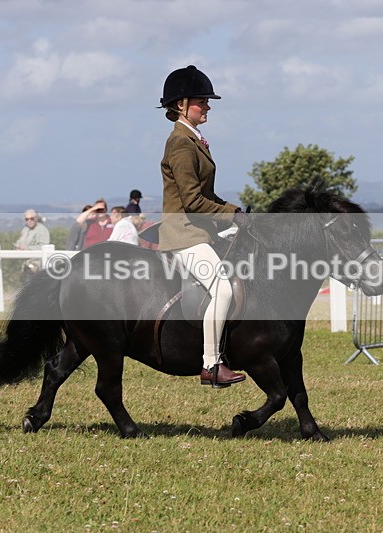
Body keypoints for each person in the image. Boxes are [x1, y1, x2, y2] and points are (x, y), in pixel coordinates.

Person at [158, 64, 248, 387]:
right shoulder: (180, 144)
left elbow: (206, 196)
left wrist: (235, 212)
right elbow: (194, 202)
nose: (207, 106)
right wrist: (231, 214)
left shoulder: (193, 140)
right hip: (184, 234)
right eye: (201, 101)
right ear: (181, 105)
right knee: (222, 288)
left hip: (199, 230)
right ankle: (210, 364)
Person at [15, 209, 51, 275]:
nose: (29, 221)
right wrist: (17, 247)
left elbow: (43, 246)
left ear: (36, 218)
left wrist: (27, 249)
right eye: (27, 219)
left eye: (31, 218)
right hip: (26, 266)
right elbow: (19, 242)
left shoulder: (42, 230)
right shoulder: (25, 230)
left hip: (37, 266)